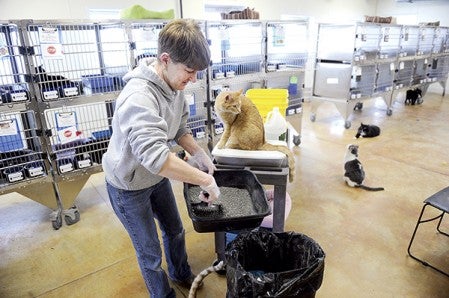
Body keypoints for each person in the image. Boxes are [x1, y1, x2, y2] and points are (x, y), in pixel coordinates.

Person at [102, 19, 220, 297]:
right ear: (165, 60)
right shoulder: (139, 97)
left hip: (157, 178)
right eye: (189, 71)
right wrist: (204, 179)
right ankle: (162, 294)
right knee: (150, 252)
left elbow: (179, 128)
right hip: (128, 186)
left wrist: (198, 153)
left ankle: (180, 274)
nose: (193, 79)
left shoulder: (175, 86)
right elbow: (158, 159)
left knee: (175, 230)